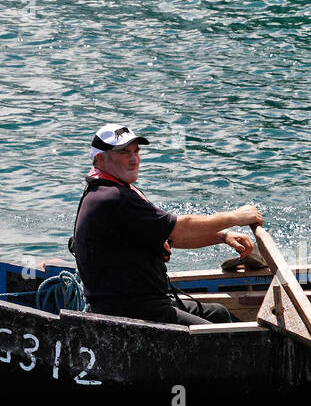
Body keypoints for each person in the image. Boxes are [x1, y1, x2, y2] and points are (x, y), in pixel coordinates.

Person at [69, 122, 263, 324]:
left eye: (136, 152)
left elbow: (167, 236)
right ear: (100, 158)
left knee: (218, 313)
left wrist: (223, 236)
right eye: (125, 153)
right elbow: (179, 230)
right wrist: (236, 217)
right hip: (130, 311)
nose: (134, 159)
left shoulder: (106, 190)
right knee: (215, 336)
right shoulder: (113, 198)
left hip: (148, 301)